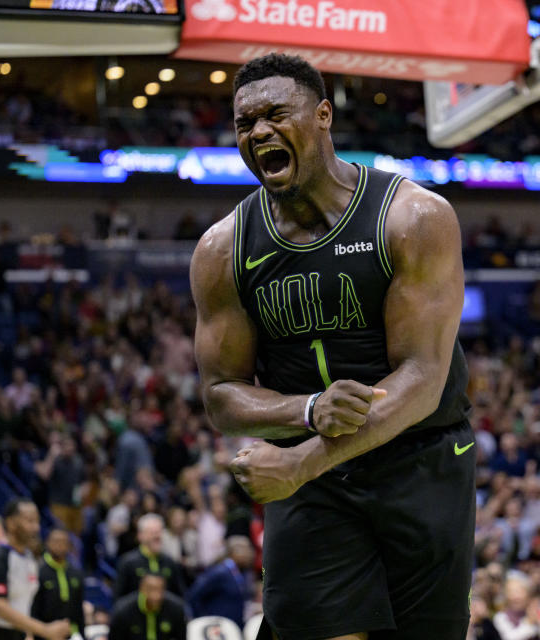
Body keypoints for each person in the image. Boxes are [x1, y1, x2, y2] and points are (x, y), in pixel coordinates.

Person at [190, 53, 473, 640]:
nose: (259, 131)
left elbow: (422, 377)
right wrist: (308, 411)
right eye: (246, 124)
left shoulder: (413, 217)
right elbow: (219, 395)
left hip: (418, 458)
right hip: (311, 485)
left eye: (275, 114)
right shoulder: (222, 250)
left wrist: (302, 459)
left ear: (322, 116)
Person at [0, 498, 71, 640]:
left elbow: (24, 604)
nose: (36, 527)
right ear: (11, 523)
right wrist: (44, 630)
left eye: (37, 521)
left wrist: (28, 634)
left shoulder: (30, 558)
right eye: (29, 521)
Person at [187, 535, 254, 627]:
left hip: (234, 627)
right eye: (245, 550)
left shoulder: (242, 573)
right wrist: (202, 620)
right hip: (218, 629)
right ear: (232, 552)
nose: (249, 554)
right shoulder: (219, 572)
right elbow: (194, 595)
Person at [114, 514, 185, 599]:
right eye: (152, 532)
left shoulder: (170, 562)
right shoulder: (127, 563)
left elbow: (180, 597)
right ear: (140, 535)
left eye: (159, 532)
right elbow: (118, 599)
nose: (157, 536)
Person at [31, 528, 85, 638]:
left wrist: (81, 633)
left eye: (64, 542)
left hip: (70, 633)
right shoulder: (37, 570)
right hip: (43, 632)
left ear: (69, 546)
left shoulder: (76, 573)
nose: (60, 545)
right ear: (47, 543)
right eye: (56, 541)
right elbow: (32, 607)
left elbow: (79, 609)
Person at [108, 572, 188, 640]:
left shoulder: (176, 609)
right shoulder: (122, 610)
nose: (156, 595)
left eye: (160, 589)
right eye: (151, 589)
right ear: (141, 588)